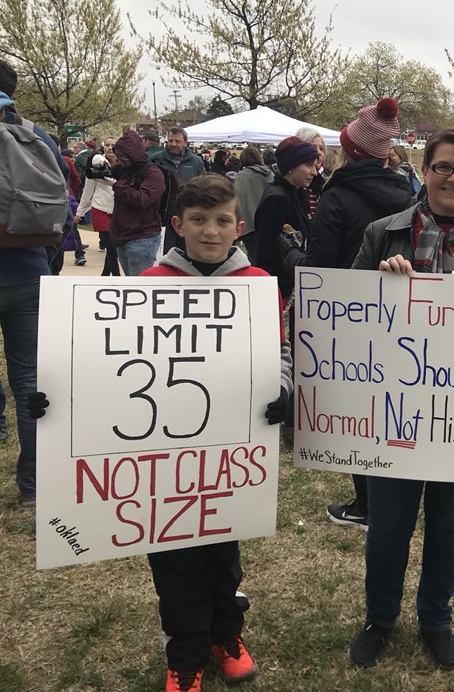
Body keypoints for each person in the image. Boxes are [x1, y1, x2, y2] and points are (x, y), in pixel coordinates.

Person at [347, 128, 454, 672]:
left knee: (449, 524)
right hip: (396, 413)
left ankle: (435, 619)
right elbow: (345, 319)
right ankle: (379, 618)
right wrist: (378, 282)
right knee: (389, 526)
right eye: (443, 167)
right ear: (425, 172)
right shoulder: (383, 234)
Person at [141, 174, 291, 692]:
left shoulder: (257, 284)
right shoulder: (147, 284)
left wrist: (282, 389)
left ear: (239, 227)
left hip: (228, 454)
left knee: (224, 557)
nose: (210, 231)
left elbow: (279, 353)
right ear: (178, 225)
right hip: (163, 456)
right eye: (199, 221)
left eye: (222, 221)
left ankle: (226, 635)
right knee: (174, 561)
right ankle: (184, 654)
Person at [280, 98, 412, 531]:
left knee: (360, 409)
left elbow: (318, 268)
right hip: (398, 317)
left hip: (345, 321)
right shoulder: (406, 193)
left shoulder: (336, 197)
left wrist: (289, 252)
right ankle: (394, 494)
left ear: (351, 150)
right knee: (392, 403)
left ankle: (366, 503)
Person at [0, 65, 67, 507]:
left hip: (26, 268)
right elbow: (63, 193)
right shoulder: (36, 135)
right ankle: (33, 485)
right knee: (28, 379)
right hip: (26, 269)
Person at [251, 137, 319, 300]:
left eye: (314, 165)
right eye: (309, 165)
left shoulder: (296, 192)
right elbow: (267, 253)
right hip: (280, 288)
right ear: (290, 167)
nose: (314, 172)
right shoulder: (277, 199)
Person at [110, 130, 165, 275]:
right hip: (124, 236)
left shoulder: (153, 173)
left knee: (139, 286)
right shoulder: (125, 170)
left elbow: (141, 200)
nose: (119, 160)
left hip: (143, 237)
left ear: (132, 154)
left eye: (122, 157)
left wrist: (120, 186)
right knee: (131, 283)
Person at [151, 127, 207, 253]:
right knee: (167, 251)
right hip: (164, 213)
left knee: (188, 250)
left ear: (185, 143)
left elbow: (204, 185)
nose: (173, 144)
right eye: (170, 141)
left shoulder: (196, 162)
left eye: (177, 141)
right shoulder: (156, 160)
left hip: (189, 211)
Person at [76, 154, 120, 276]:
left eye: (112, 145)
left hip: (117, 211)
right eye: (107, 145)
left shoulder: (120, 167)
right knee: (111, 247)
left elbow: (119, 185)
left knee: (113, 248)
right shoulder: (94, 172)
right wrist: (80, 212)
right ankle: (117, 278)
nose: (110, 148)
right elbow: (87, 193)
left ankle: (105, 275)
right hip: (100, 210)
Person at [233, 145, 273, 256]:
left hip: (250, 223)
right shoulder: (269, 174)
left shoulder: (243, 176)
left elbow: (238, 198)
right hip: (267, 221)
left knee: (254, 255)